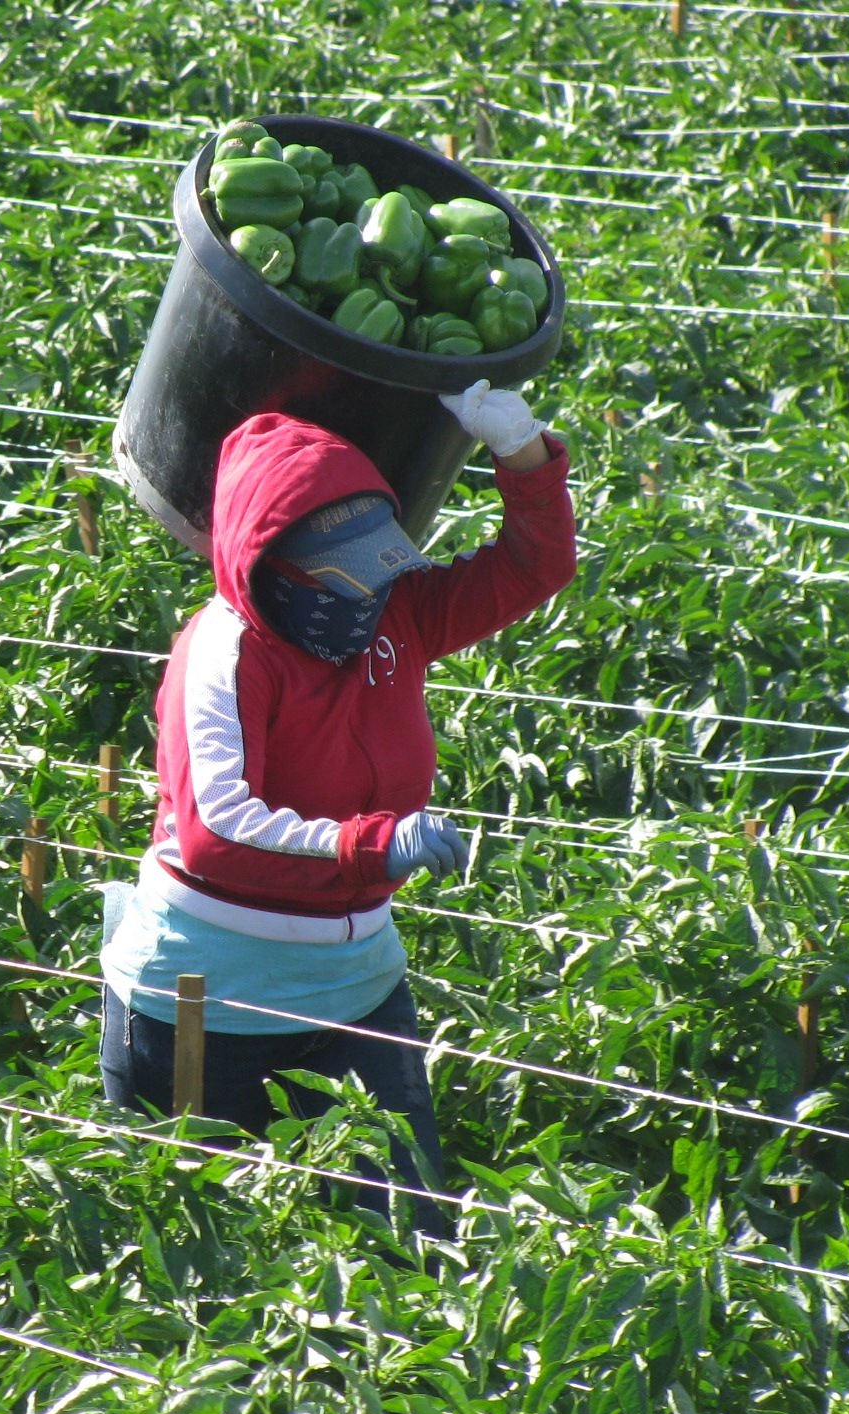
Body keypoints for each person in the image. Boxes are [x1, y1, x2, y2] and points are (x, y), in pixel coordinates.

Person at [99, 380, 576, 1241]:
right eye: (337, 583)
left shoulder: (397, 616)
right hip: (205, 997)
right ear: (264, 566)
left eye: (372, 576)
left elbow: (534, 567)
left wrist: (522, 454)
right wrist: (373, 845)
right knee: (210, 1254)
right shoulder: (226, 650)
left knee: (407, 1235)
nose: (360, 602)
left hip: (357, 985)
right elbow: (215, 834)